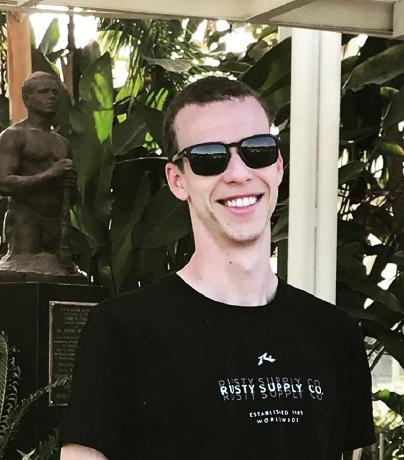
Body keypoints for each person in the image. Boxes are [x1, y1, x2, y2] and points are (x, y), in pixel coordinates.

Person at [60, 77, 375, 460]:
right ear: (178, 180)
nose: (239, 173)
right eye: (209, 158)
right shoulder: (123, 330)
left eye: (257, 150)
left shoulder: (334, 334)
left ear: (277, 165)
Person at [0, 71, 76, 278]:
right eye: (43, 92)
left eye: (54, 92)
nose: (51, 97)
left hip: (56, 223)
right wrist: (49, 174)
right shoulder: (13, 136)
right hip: (26, 219)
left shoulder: (62, 142)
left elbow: (72, 197)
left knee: (59, 274)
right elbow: (3, 183)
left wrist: (71, 183)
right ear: (27, 99)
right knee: (27, 270)